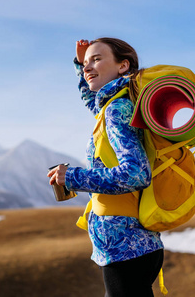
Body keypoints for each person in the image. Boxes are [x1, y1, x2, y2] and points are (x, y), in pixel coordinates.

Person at [47, 37, 164, 297]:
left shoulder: (116, 110)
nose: (88, 67)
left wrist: (73, 177)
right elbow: (93, 100)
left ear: (123, 66)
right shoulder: (115, 104)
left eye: (97, 59)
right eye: (86, 62)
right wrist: (80, 65)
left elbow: (136, 173)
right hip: (132, 246)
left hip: (126, 247)